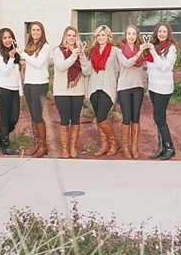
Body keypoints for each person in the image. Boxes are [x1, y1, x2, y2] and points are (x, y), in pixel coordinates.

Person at [53, 25, 92, 158]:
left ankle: (73, 148)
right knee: (64, 119)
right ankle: (64, 148)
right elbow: (61, 66)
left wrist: (82, 58)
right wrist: (73, 56)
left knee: (75, 119)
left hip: (78, 91)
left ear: (77, 37)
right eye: (69, 35)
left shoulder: (81, 52)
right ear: (65, 36)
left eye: (73, 35)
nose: (71, 38)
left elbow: (87, 71)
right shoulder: (58, 50)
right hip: (61, 91)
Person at [144, 22, 178, 160]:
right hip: (153, 86)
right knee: (161, 118)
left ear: (168, 33)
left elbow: (164, 67)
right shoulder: (155, 46)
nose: (161, 34)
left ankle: (170, 147)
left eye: (164, 31)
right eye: (159, 31)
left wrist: (152, 51)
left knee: (157, 117)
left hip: (164, 87)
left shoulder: (171, 49)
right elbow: (151, 67)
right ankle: (161, 147)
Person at [87, 25, 120, 156]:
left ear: (108, 36)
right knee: (100, 117)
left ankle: (114, 143)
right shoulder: (92, 52)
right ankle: (104, 145)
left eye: (103, 35)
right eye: (98, 35)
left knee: (101, 117)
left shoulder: (115, 51)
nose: (101, 37)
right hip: (94, 87)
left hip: (108, 87)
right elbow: (87, 71)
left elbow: (118, 69)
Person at [20, 21, 51, 158]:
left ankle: (43, 146)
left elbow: (38, 64)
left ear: (42, 31)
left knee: (38, 115)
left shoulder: (45, 46)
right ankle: (37, 144)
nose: (35, 32)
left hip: (40, 83)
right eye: (33, 30)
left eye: (38, 30)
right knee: (33, 115)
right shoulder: (29, 46)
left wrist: (23, 55)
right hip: (29, 83)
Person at [117, 24, 147, 159]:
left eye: (134, 34)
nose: (131, 36)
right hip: (124, 87)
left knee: (136, 117)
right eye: (129, 33)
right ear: (125, 35)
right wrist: (139, 52)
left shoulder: (141, 51)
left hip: (138, 86)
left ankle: (134, 147)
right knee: (127, 117)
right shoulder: (120, 51)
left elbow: (144, 67)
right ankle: (125, 147)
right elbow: (128, 63)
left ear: (137, 36)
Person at [0, 28, 22, 155]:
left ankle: (0, 135)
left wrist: (20, 91)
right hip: (3, 88)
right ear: (0, 40)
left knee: (14, 118)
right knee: (5, 118)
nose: (8, 40)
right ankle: (5, 146)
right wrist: (11, 58)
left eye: (9, 37)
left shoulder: (14, 53)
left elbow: (17, 74)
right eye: (5, 38)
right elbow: (5, 72)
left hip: (14, 89)